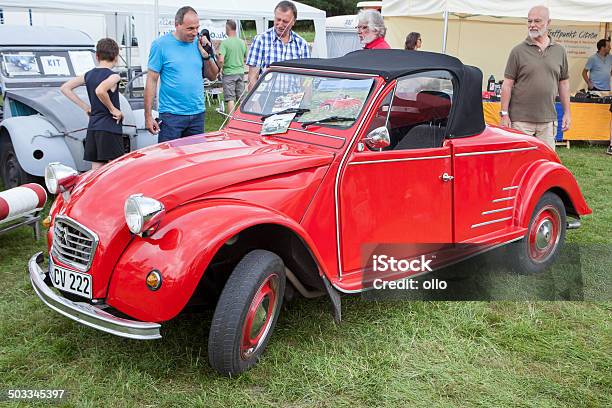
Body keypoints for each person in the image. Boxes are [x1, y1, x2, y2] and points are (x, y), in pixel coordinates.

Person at [500, 5, 570, 151]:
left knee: (546, 161)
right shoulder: (518, 51)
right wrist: (504, 114)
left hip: (548, 121)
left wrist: (567, 113)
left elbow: (563, 84)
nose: (532, 25)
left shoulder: (560, 51)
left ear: (548, 22)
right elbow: (507, 85)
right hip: (520, 121)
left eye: (537, 21)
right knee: (521, 162)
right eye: (529, 21)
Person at [144, 6, 219, 142]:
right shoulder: (160, 45)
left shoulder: (200, 43)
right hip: (171, 115)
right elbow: (151, 80)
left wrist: (207, 56)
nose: (195, 32)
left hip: (197, 113)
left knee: (195, 160)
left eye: (197, 27)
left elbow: (213, 76)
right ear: (176, 25)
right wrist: (148, 116)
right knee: (169, 160)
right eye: (190, 28)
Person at [61, 38, 124, 171]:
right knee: (115, 168)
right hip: (109, 128)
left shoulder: (88, 75)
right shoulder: (114, 77)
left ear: (97, 56)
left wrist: (86, 107)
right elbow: (100, 90)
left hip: (94, 127)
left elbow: (65, 88)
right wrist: (113, 109)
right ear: (116, 57)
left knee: (96, 168)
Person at [246, 1, 310, 91]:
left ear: (293, 22)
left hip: (292, 99)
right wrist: (255, 104)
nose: (280, 25)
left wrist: (306, 102)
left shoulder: (302, 44)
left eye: (285, 21)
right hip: (265, 99)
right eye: (278, 20)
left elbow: (306, 79)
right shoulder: (261, 40)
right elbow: (252, 78)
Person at [218, 20, 247, 113]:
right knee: (241, 97)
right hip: (240, 72)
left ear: (227, 28)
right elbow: (247, 57)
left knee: (230, 98)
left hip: (229, 73)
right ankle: (243, 118)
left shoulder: (224, 43)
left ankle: (230, 120)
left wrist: (220, 68)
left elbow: (221, 59)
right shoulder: (242, 42)